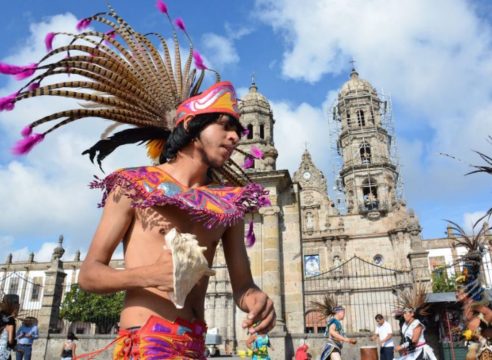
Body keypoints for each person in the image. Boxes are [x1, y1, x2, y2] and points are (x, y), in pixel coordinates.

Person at [1, 3, 275, 359]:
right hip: (145, 344)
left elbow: (242, 285)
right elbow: (90, 275)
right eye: (225, 126)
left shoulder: (228, 206)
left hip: (195, 346)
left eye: (238, 130)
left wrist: (254, 298)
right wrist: (147, 275)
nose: (236, 137)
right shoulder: (132, 186)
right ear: (191, 130)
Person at [394, 285, 436, 360]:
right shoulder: (404, 325)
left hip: (421, 351)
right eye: (404, 313)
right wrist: (403, 349)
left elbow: (414, 340)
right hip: (410, 351)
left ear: (412, 314)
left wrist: (402, 346)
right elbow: (406, 339)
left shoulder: (417, 324)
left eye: (407, 313)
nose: (405, 315)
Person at [310, 295, 356, 360]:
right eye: (343, 313)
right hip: (332, 347)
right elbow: (332, 332)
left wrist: (349, 340)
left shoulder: (335, 321)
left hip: (335, 347)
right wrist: (346, 340)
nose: (344, 315)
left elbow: (338, 334)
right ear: (338, 313)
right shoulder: (334, 321)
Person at [0, 295, 19, 360]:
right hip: (4, 352)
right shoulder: (10, 319)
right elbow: (11, 341)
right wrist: (14, 345)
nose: (18, 305)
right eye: (16, 303)